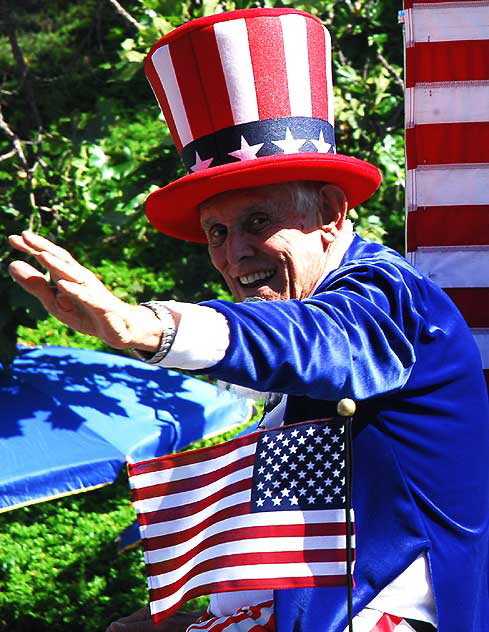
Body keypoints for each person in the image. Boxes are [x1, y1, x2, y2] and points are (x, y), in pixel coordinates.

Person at [8, 8, 489, 632]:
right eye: (217, 232)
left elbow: (312, 343)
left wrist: (145, 327)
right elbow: (295, 547)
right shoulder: (297, 313)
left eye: (259, 222)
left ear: (332, 214)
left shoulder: (389, 297)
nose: (235, 255)